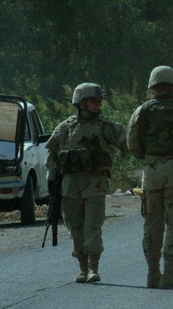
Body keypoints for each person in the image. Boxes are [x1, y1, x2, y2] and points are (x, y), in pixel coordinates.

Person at [46, 83, 129, 284]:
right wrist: (51, 179)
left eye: (99, 101)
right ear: (81, 103)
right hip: (70, 187)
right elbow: (53, 153)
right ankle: (82, 268)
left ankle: (93, 268)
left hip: (95, 185)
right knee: (75, 227)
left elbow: (128, 143)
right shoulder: (66, 127)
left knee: (93, 226)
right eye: (93, 101)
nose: (97, 105)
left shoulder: (104, 127)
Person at [127, 66, 173, 290]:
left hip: (152, 174)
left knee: (152, 223)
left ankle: (152, 273)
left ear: (152, 86)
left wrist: (150, 158)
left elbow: (133, 145)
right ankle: (171, 273)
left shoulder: (142, 111)